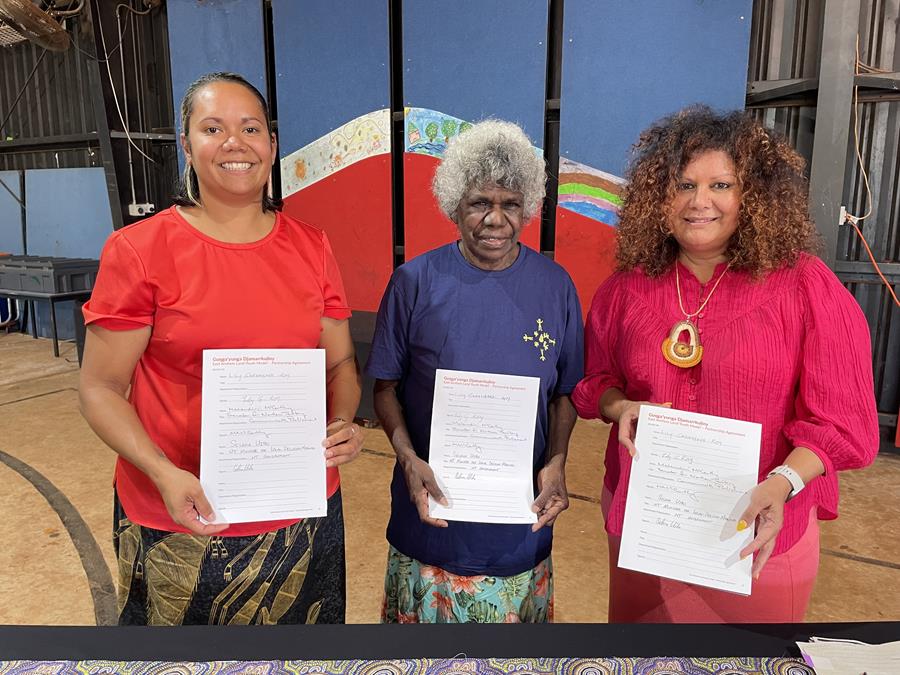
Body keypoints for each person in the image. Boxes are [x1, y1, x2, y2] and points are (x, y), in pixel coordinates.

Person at [572, 106, 879, 623]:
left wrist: (782, 483)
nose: (700, 202)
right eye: (684, 184)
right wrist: (622, 405)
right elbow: (595, 382)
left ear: (753, 197)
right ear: (657, 197)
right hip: (650, 526)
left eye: (721, 185)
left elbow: (843, 425)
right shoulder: (625, 289)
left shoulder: (805, 286)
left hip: (759, 528)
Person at [78, 72, 362, 625]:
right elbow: (99, 387)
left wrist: (344, 420)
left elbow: (341, 364)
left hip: (298, 513)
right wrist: (162, 472)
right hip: (180, 513)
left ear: (271, 146)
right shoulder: (139, 251)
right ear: (186, 146)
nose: (235, 143)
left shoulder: (311, 246)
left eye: (250, 128)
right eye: (213, 128)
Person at [366, 120, 583, 623]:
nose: (495, 219)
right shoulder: (414, 282)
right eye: (479, 202)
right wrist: (405, 458)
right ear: (454, 206)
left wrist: (557, 461)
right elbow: (385, 389)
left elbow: (565, 394)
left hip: (518, 528)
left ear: (527, 206)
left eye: (510, 204)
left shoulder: (555, 286)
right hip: (432, 523)